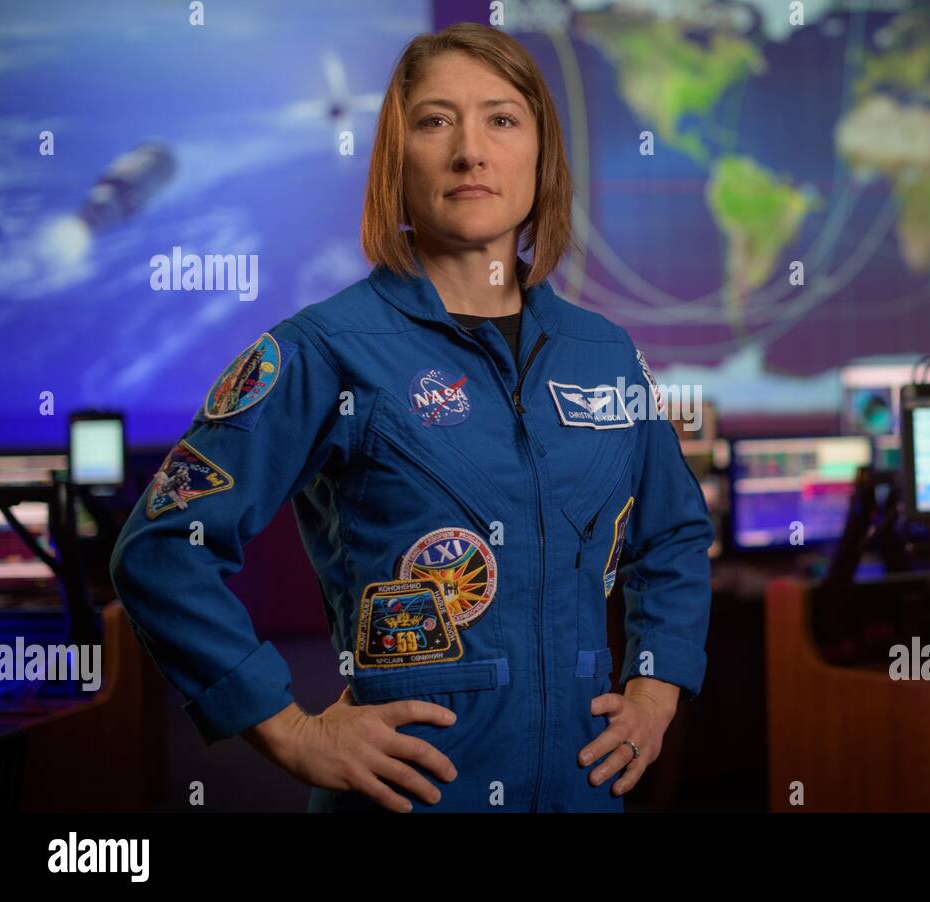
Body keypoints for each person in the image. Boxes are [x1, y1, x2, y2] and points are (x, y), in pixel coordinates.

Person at [108, 23, 714, 813]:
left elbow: (674, 534)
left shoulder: (603, 353)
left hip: (582, 793)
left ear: (541, 152)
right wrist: (287, 729)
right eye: (435, 121)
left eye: (502, 119)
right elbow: (162, 551)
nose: (471, 151)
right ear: (399, 157)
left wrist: (657, 689)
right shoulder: (325, 351)